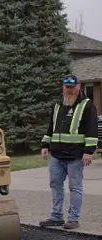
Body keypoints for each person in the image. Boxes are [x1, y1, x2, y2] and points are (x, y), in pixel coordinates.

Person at [39, 74, 98, 230]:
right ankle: (56, 217)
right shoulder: (58, 104)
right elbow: (51, 127)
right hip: (56, 155)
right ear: (63, 87)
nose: (69, 90)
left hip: (75, 156)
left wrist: (88, 151)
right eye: (66, 87)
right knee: (55, 185)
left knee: (75, 187)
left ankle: (73, 219)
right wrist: (45, 144)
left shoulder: (87, 105)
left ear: (78, 86)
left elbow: (92, 129)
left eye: (72, 87)